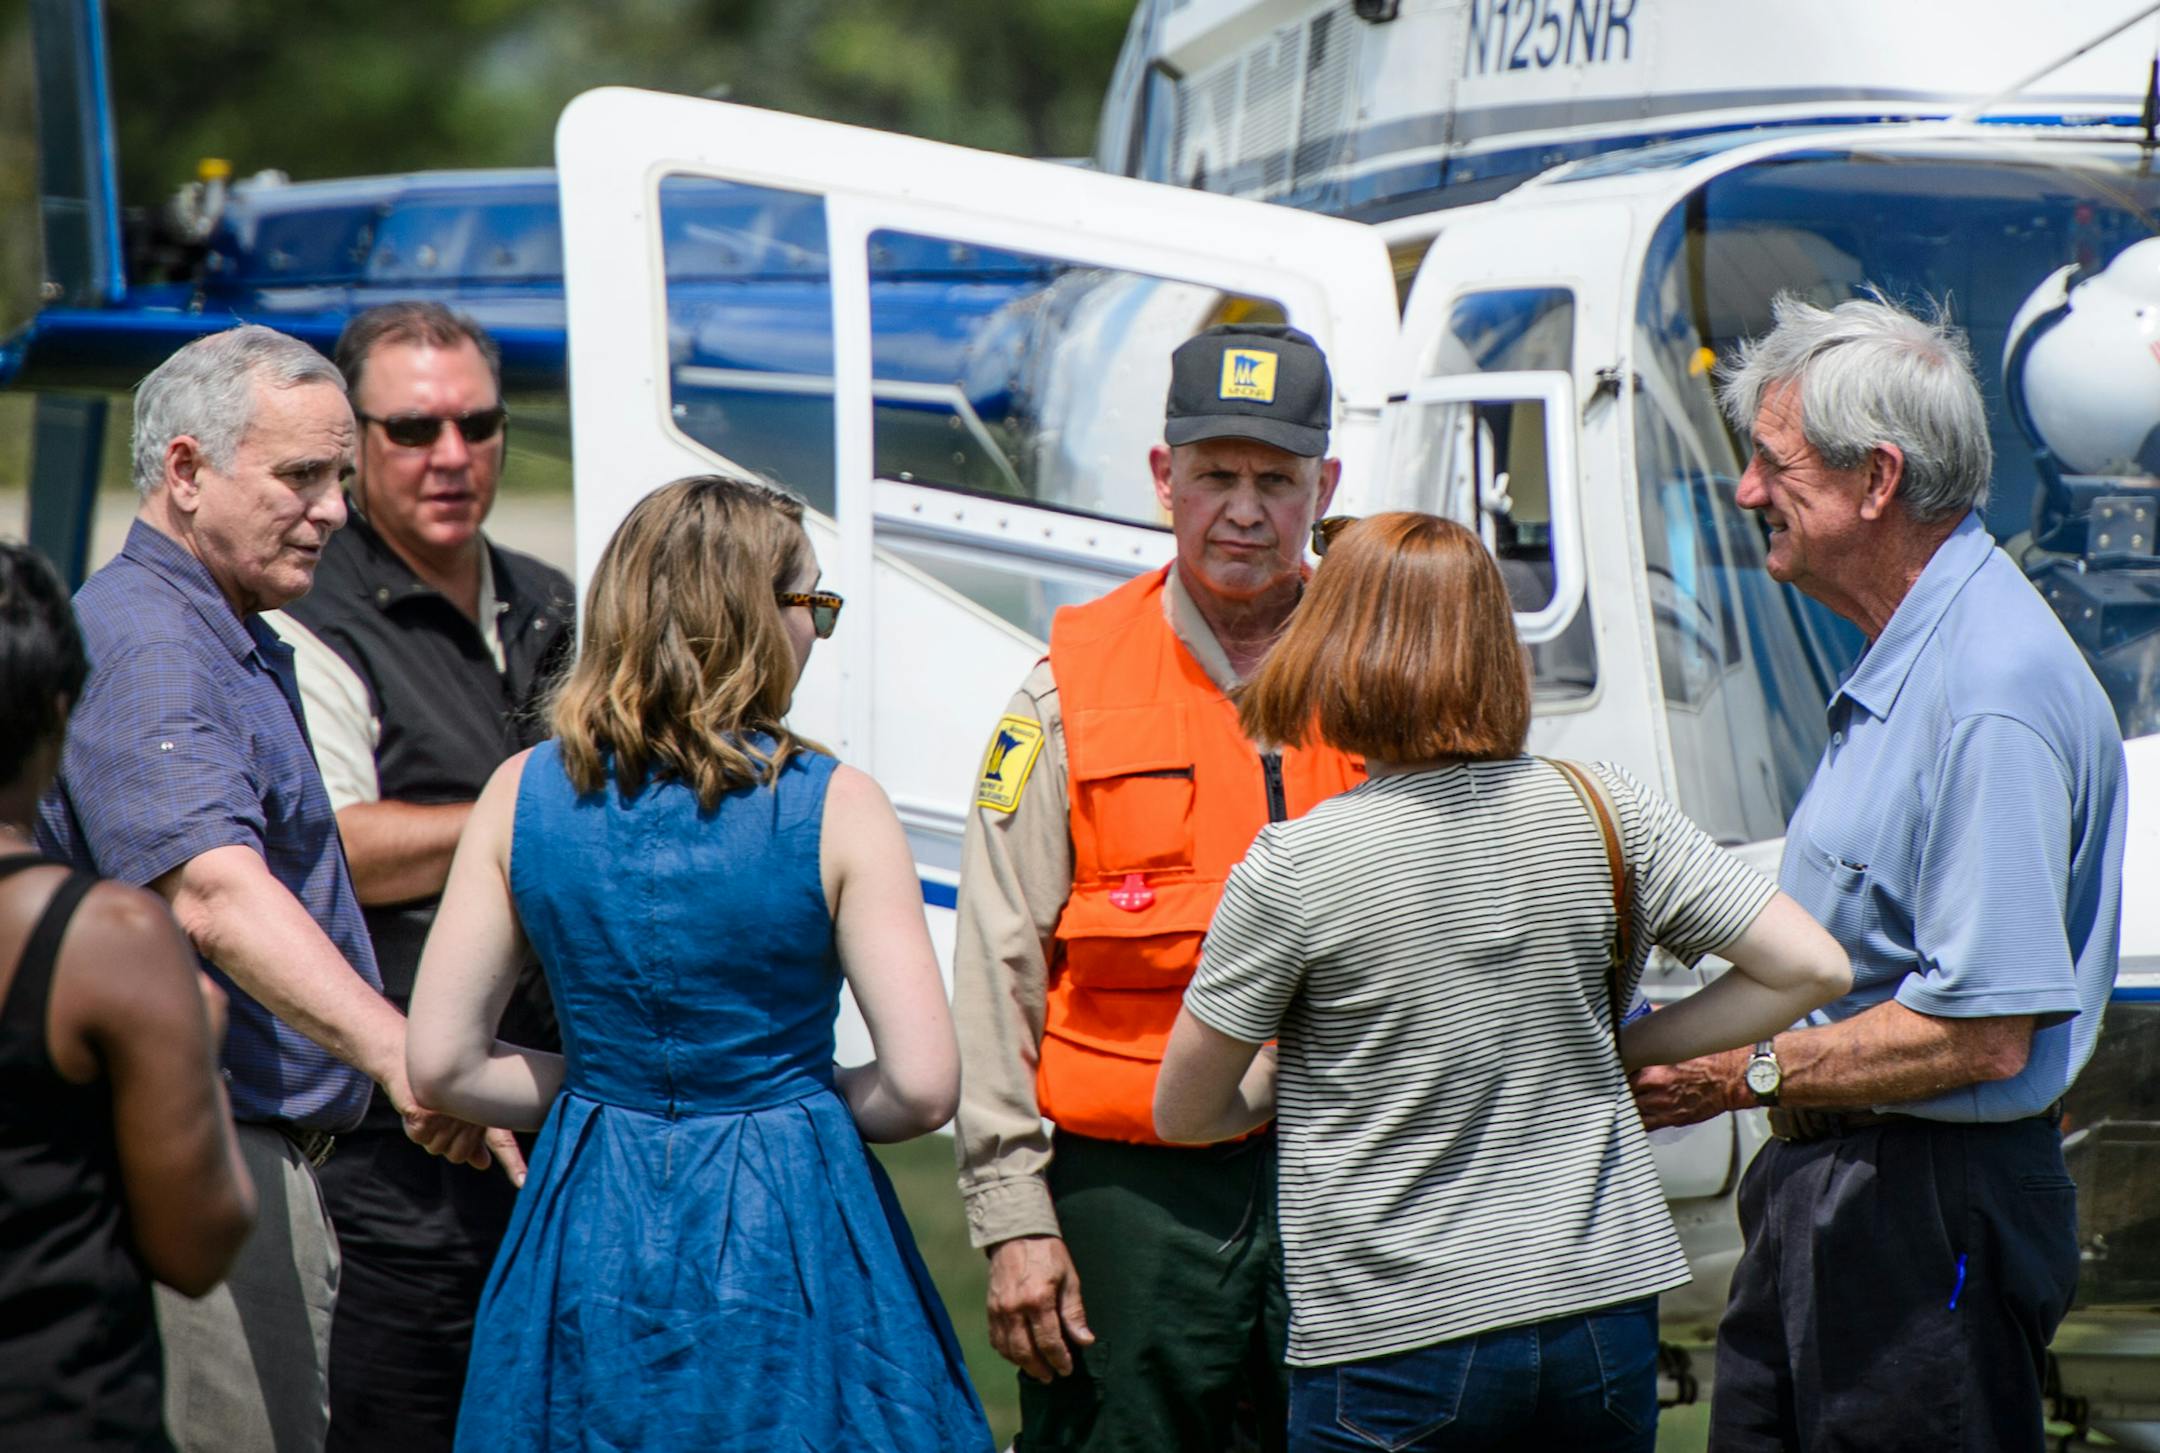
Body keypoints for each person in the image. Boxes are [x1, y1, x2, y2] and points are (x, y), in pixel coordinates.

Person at [1150, 512, 1852, 1452]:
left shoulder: (1297, 863)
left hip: (1395, 1328)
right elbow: (1811, 965)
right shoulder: (1605, 805)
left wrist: (1304, 1069)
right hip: (1601, 1314)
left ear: (1337, 650)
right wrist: (1625, 1043)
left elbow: (1186, 1110)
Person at [405, 473, 992, 1452]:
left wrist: (607, 1087)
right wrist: (782, 1096)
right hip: (794, 1219)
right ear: (753, 618)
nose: (819, 629)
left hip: (592, 1211)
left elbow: (444, 1064)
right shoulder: (837, 805)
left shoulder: (519, 794)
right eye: (815, 603)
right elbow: (925, 1088)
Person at [1630, 295, 2127, 1453]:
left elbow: (1985, 1032)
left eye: (1772, 462)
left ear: (1877, 480)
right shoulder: (1922, 653)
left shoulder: (1987, 689)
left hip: (1925, 1209)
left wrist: (1736, 1073)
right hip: (1850, 1189)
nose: (1747, 491)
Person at [36, 325, 509, 1452]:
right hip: (209, 1152)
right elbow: (212, 893)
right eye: (301, 476)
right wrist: (400, 1052)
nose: (336, 510)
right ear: (187, 473)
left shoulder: (220, 625)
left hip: (245, 1152)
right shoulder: (155, 643)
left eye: (337, 477)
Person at [953, 322, 1365, 1451]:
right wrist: (1011, 1217)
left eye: (1275, 480)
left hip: (1354, 1182)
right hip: (1131, 1204)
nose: (1243, 509)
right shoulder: (1062, 694)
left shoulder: (1388, 671)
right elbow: (998, 962)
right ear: (1161, 478)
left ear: (1324, 486)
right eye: (1215, 475)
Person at [265, 302, 574, 1453]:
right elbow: (327, 841)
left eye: (478, 423)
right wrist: (526, 808)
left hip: (553, 1127)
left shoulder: (554, 601)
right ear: (353, 443)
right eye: (413, 430)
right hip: (396, 1153)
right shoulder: (306, 616)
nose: (452, 455)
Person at [0, 541, 256, 1451]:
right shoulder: (103, 942)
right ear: (60, 713)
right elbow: (198, 1245)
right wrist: (204, 1056)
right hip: (59, 1404)